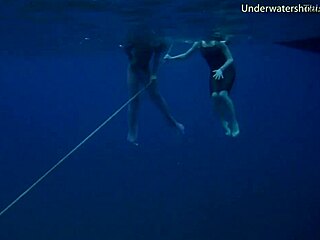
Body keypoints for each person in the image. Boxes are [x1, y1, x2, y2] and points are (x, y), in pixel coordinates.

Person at [164, 33, 240, 137]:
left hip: (227, 71)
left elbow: (230, 59)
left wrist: (221, 69)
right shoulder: (198, 44)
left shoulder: (219, 44)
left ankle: (234, 122)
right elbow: (185, 55)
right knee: (214, 96)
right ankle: (223, 122)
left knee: (223, 94)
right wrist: (170, 58)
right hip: (214, 72)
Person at [122, 30, 184, 145]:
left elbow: (156, 58)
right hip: (133, 69)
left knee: (156, 96)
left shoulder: (159, 43)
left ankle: (172, 121)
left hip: (145, 70)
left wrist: (154, 75)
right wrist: (131, 58)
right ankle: (132, 131)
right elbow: (126, 49)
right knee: (134, 100)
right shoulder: (137, 37)